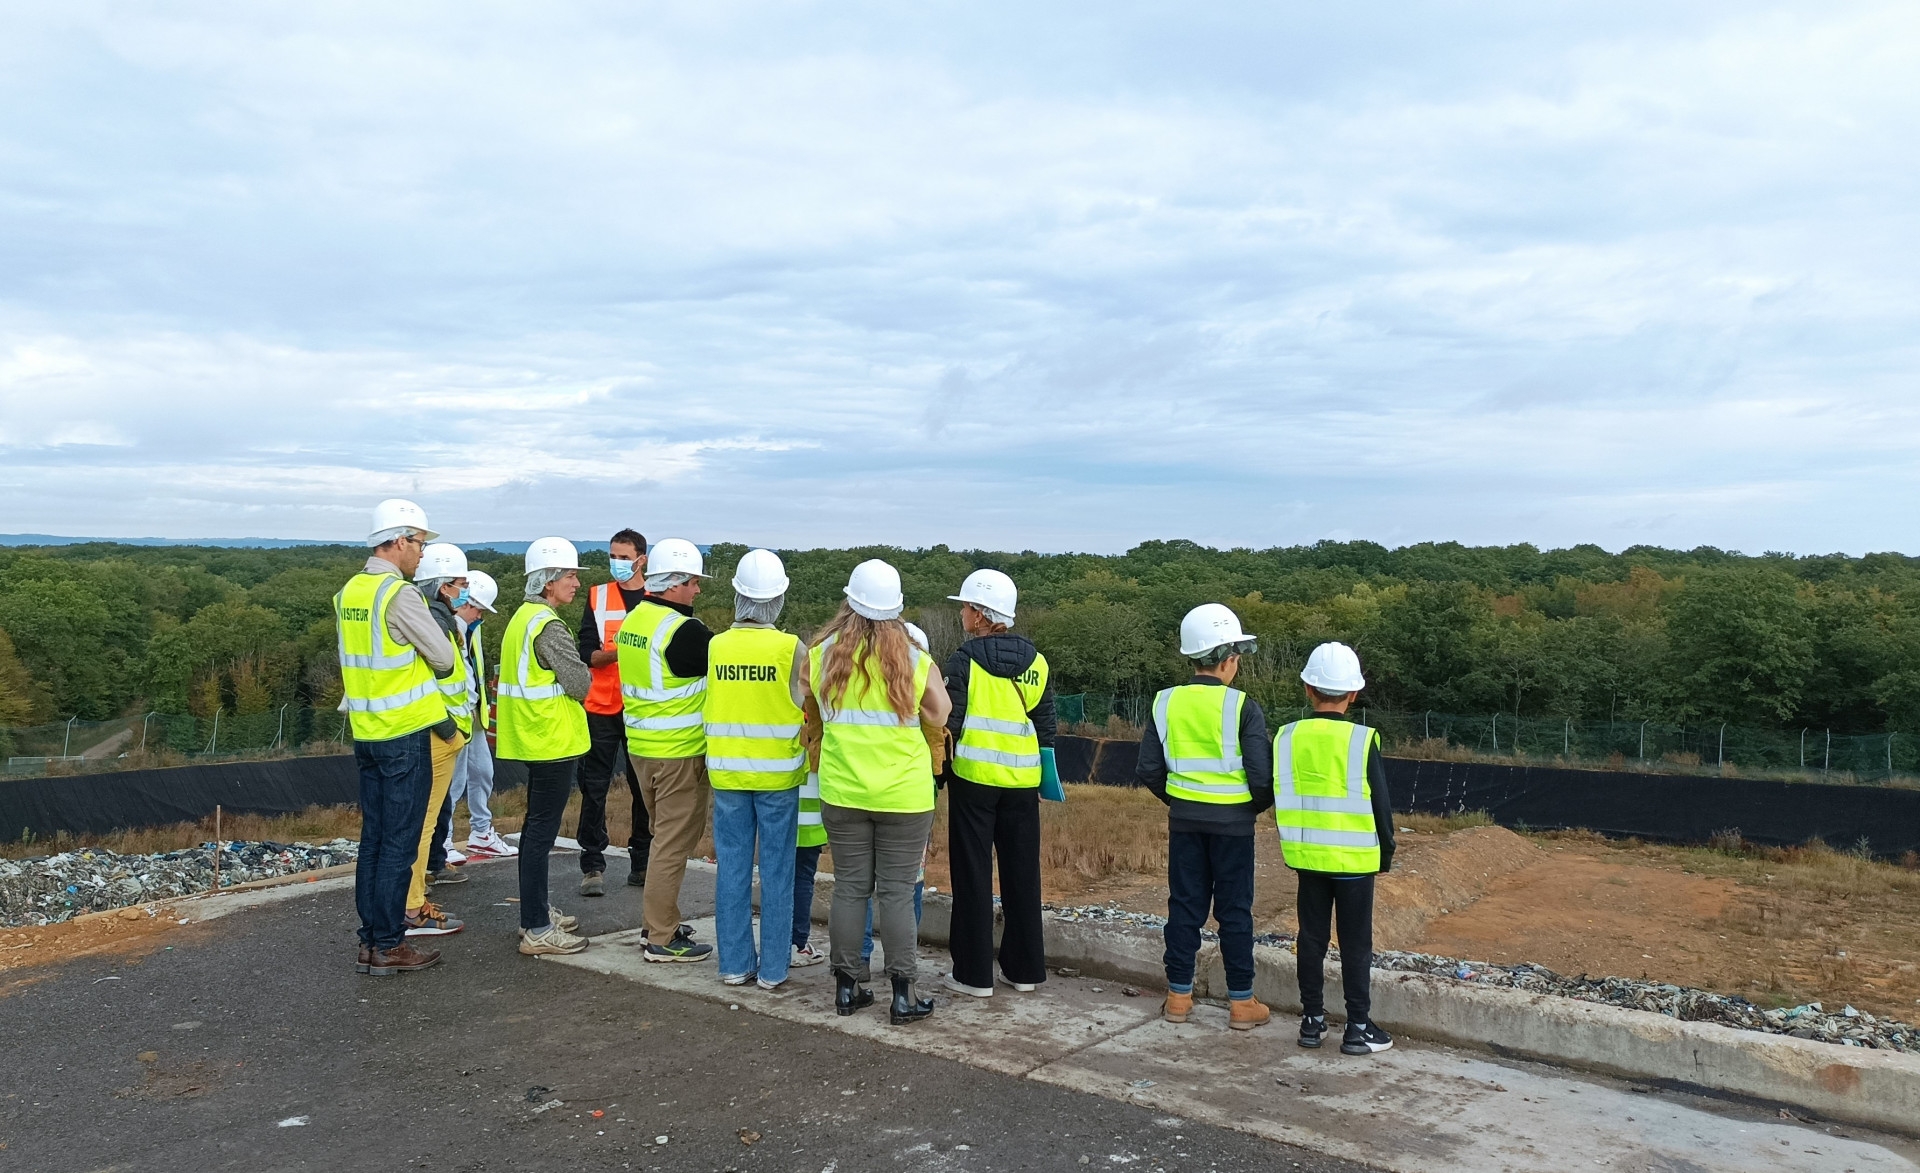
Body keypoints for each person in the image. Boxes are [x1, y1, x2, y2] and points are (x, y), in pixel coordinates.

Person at [806, 559, 951, 1025]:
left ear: (848, 602)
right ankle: (904, 995)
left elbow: (800, 702)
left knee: (849, 888)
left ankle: (847, 989)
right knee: (895, 892)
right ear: (896, 610)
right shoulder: (913, 658)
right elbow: (941, 713)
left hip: (843, 791)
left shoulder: (820, 653)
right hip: (904, 796)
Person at [1137, 603, 1274, 1030]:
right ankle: (1241, 1004)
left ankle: (1178, 997)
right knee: (1234, 912)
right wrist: (1247, 809)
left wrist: (1180, 801)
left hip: (1185, 822)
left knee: (1184, 907)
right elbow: (1261, 775)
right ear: (1229, 659)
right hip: (1233, 826)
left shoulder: (1165, 702)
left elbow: (1148, 769)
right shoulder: (1242, 707)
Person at [335, 498, 454, 977]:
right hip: (404, 736)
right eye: (420, 543)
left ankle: (370, 942)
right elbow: (444, 657)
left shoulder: (350, 592)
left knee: (374, 841)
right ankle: (388, 944)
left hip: (366, 733)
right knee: (400, 847)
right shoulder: (398, 595)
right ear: (400, 540)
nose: (422, 554)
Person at [939, 570, 1054, 998]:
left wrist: (940, 776)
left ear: (981, 614)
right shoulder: (1038, 662)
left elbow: (950, 725)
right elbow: (1046, 729)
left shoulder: (963, 660)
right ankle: (1024, 971)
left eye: (966, 606)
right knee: (1023, 875)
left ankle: (973, 975)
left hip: (973, 782)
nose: (962, 612)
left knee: (972, 876)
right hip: (1023, 782)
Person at [1279, 642, 1397, 1056]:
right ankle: (1358, 1028)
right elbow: (1380, 803)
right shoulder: (1362, 740)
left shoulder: (1287, 736)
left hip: (1307, 858)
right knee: (1355, 943)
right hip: (1354, 861)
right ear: (1353, 694)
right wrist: (1387, 852)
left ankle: (1312, 1021)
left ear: (1308, 689)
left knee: (1310, 938)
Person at [705, 549, 807, 990]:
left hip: (727, 775)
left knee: (732, 869)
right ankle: (773, 969)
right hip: (778, 778)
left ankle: (733, 964)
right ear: (778, 598)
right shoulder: (790, 648)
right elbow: (807, 705)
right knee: (778, 871)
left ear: (738, 596)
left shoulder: (716, 645)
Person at [616, 538, 716, 962]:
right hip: (679, 754)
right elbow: (724, 662)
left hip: (642, 750)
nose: (697, 590)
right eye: (692, 582)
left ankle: (660, 920)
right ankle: (661, 936)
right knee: (672, 845)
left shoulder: (636, 618)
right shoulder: (685, 631)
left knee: (662, 839)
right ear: (673, 583)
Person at [496, 536, 592, 957]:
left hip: (534, 737)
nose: (575, 583)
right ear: (548, 582)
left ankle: (535, 913)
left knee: (536, 830)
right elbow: (581, 683)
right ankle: (536, 927)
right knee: (540, 834)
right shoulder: (549, 627)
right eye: (569, 575)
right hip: (551, 738)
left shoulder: (523, 617)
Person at [401, 542, 476, 939]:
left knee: (421, 824)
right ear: (445, 587)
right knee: (423, 826)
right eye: (462, 584)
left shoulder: (435, 618)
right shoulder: (433, 622)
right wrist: (450, 731)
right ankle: (412, 908)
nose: (466, 591)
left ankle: (411, 902)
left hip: (441, 734)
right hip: (437, 736)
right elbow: (432, 682)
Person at [575, 529, 653, 896]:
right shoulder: (598, 596)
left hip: (642, 705)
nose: (618, 563)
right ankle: (592, 864)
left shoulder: (657, 597)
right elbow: (587, 652)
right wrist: (624, 649)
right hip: (602, 703)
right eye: (614, 556)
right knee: (594, 786)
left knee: (643, 788)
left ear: (642, 559)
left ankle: (642, 861)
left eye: (624, 557)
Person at [455, 569, 516, 860]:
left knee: (482, 773)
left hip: (472, 713)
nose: (480, 616)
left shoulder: (471, 628)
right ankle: (441, 842)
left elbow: (473, 671)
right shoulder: (445, 626)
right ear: (465, 601)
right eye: (478, 609)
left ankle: (481, 833)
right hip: (452, 715)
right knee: (453, 783)